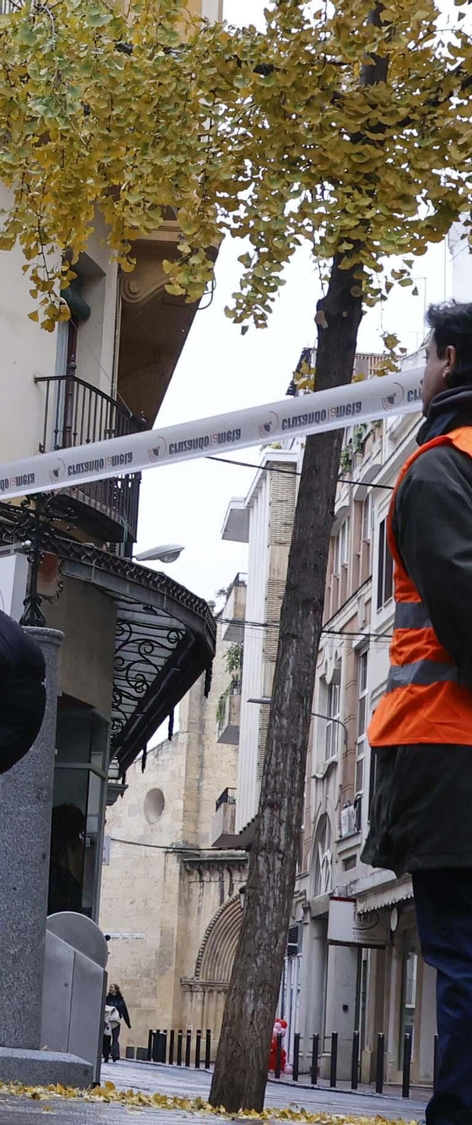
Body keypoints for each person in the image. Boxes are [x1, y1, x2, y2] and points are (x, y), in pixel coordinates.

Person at [362, 300, 472, 1125]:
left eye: (427, 356)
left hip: (448, 746)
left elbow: (460, 608)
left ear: (453, 361)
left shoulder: (438, 468)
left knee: (461, 955)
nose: (420, 371)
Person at [103, 984, 130, 1062]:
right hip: (107, 1021)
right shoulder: (106, 999)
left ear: (116, 990)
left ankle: (115, 1055)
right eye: (110, 987)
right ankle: (106, 1056)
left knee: (115, 1038)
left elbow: (124, 1011)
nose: (110, 989)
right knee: (106, 1038)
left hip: (116, 1021)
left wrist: (128, 1023)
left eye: (112, 987)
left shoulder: (120, 1000)